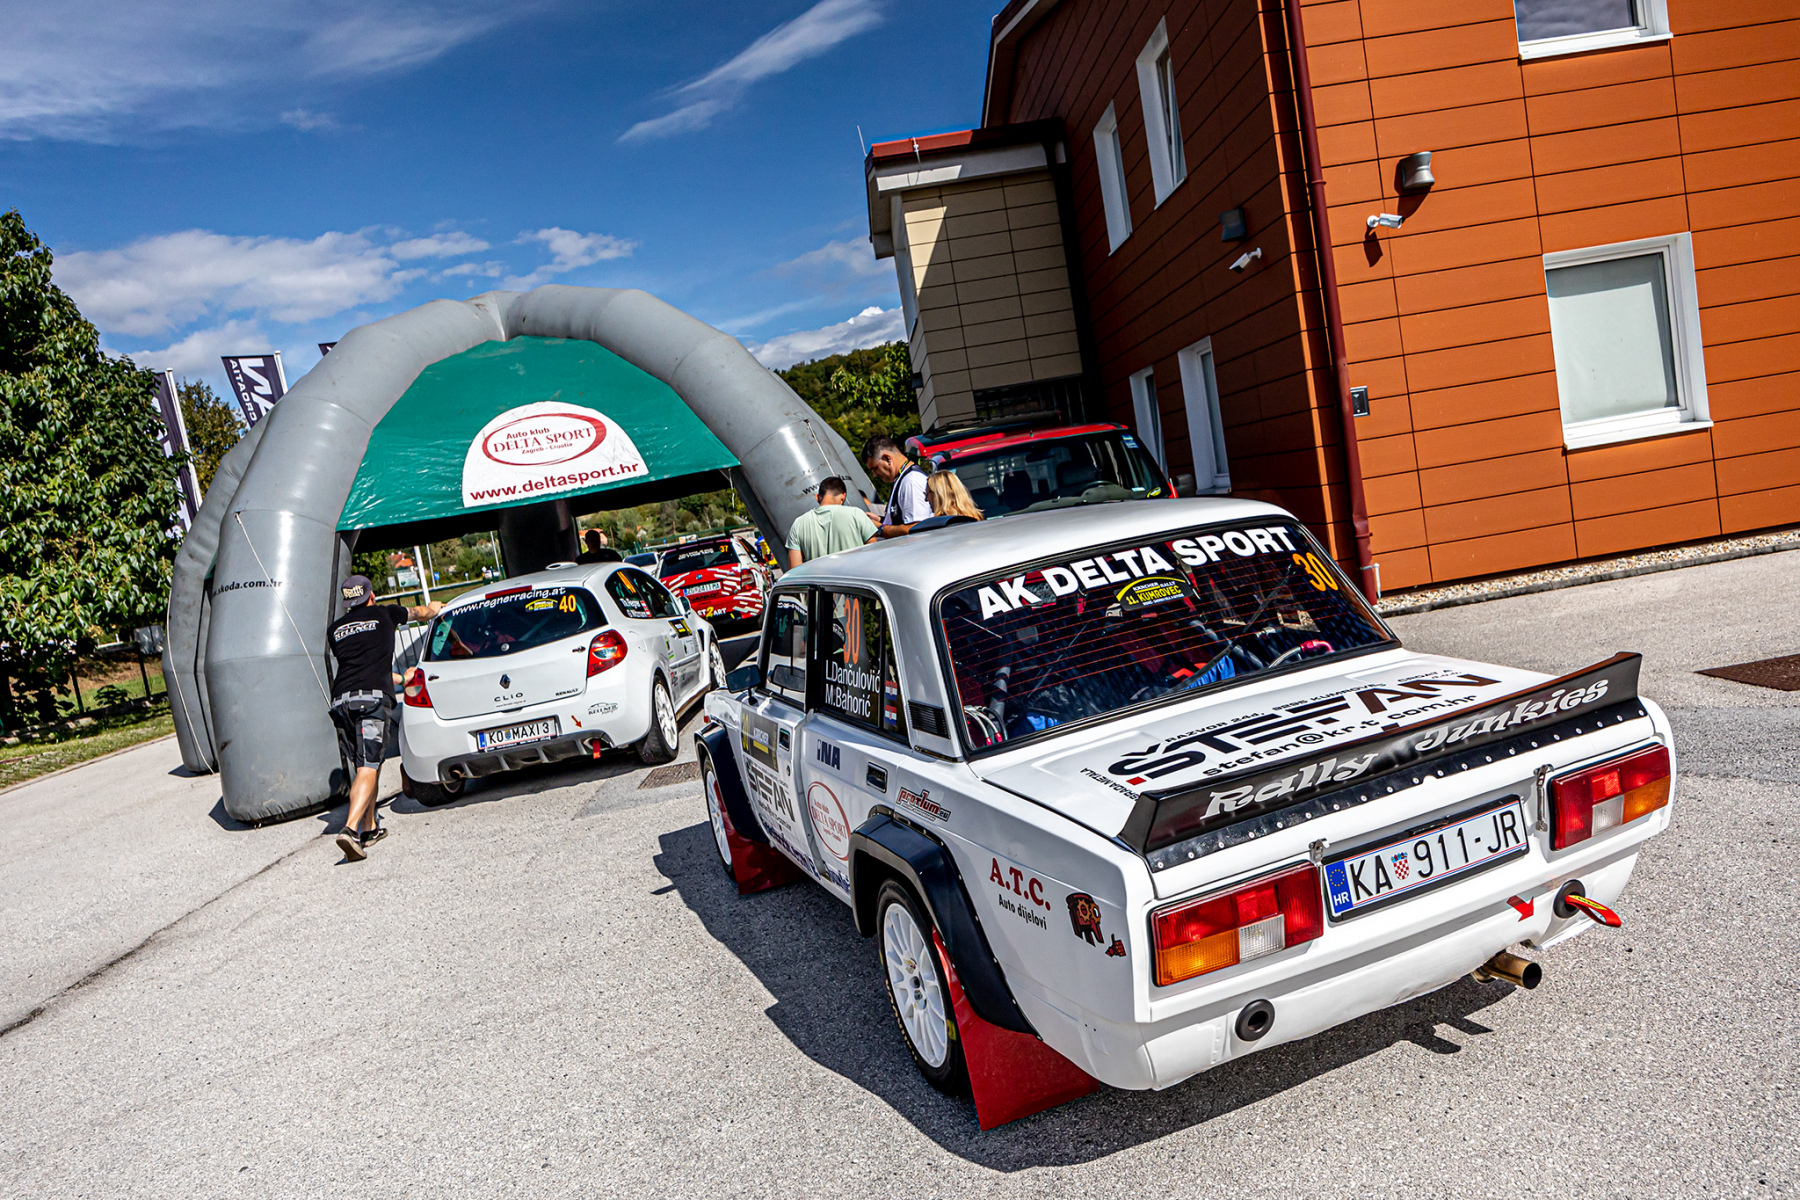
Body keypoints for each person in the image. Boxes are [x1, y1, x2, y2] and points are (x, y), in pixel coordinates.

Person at [327, 575, 441, 861]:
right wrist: (434, 609)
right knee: (369, 765)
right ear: (371, 596)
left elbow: (364, 667)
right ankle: (351, 830)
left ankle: (369, 828)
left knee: (366, 765)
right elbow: (420, 613)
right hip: (370, 701)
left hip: (341, 702)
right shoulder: (385, 613)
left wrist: (401, 679)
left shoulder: (335, 630)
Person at [785, 475, 878, 567]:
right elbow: (875, 556)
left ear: (817, 497)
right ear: (843, 497)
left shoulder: (798, 524)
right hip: (855, 576)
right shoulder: (856, 514)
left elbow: (795, 569)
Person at [862, 435, 931, 538]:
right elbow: (904, 522)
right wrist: (881, 520)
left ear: (887, 458)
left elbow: (917, 529)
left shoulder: (911, 482)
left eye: (875, 468)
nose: (874, 475)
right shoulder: (903, 478)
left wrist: (880, 529)